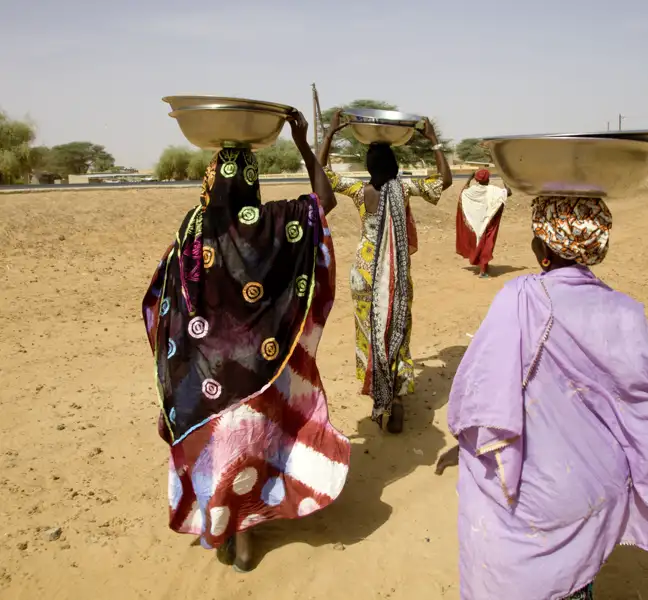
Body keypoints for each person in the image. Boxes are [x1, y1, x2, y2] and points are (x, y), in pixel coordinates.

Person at [435, 195, 648, 599]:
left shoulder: (517, 298)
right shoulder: (625, 313)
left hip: (529, 496)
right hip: (592, 493)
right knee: (575, 583)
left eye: (535, 237)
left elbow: (479, 397)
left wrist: (463, 443)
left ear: (543, 252)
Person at [142, 112, 350, 573]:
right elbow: (324, 200)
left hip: (202, 372)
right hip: (256, 370)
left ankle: (223, 529)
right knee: (246, 449)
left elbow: (166, 293)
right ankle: (246, 533)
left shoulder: (192, 227)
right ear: (253, 183)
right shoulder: (273, 223)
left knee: (215, 450)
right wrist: (304, 138)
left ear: (209, 180)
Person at [317, 110, 453, 434]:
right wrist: (433, 140)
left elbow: (322, 173)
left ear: (368, 168)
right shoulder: (402, 190)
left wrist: (331, 133)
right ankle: (397, 400)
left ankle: (380, 397)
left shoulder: (358, 190)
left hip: (364, 276)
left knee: (370, 337)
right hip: (395, 278)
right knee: (396, 336)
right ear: (394, 167)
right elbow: (444, 181)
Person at [455, 168, 511, 278]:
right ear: (488, 179)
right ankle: (483, 271)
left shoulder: (471, 191)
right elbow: (508, 192)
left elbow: (463, 192)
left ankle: (483, 266)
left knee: (479, 242)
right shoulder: (493, 190)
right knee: (486, 244)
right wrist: (504, 178)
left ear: (476, 179)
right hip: (488, 222)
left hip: (476, 224)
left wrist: (469, 179)